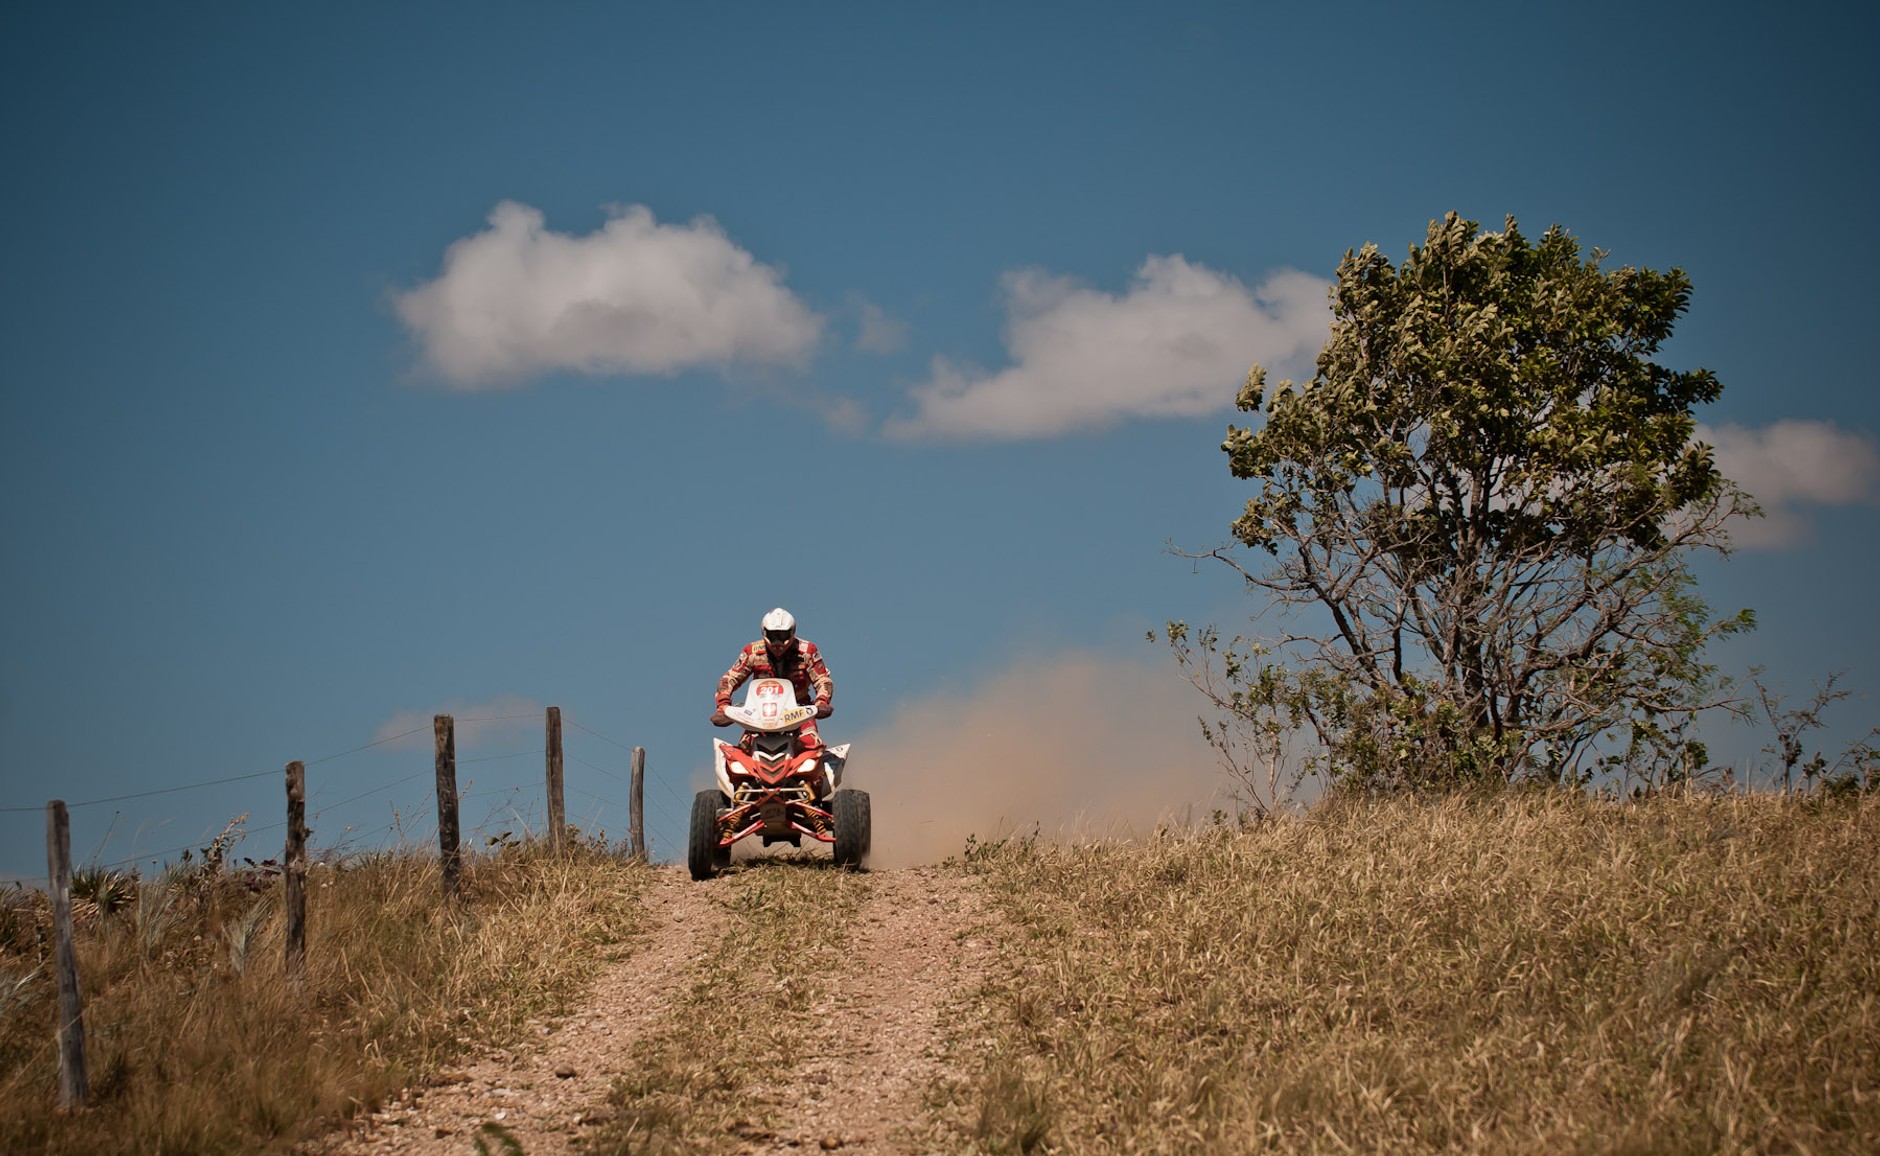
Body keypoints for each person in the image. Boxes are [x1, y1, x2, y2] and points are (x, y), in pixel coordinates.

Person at [712, 608, 835, 757]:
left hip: (799, 712)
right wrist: (723, 706)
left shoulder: (807, 651)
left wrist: (821, 702)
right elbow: (729, 678)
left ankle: (818, 777)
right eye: (773, 635)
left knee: (813, 745)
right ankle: (738, 778)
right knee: (742, 750)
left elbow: (822, 680)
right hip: (759, 715)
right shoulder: (752, 652)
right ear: (764, 632)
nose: (778, 642)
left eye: (782, 635)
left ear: (792, 632)